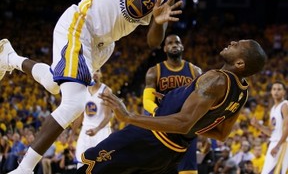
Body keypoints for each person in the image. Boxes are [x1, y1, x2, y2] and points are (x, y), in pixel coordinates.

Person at [0, 0, 187, 173]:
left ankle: (10, 58)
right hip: (81, 26)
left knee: (53, 83)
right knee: (75, 102)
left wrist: (159, 21)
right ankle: (24, 169)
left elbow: (153, 42)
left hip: (104, 45)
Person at [75, 39, 267, 174]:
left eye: (238, 45)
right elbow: (221, 134)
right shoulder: (242, 93)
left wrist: (129, 117)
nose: (232, 43)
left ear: (240, 62)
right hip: (173, 152)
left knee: (90, 168)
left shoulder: (216, 78)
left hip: (151, 138)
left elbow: (184, 122)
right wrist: (172, 101)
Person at [142, 34, 202, 173]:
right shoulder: (154, 71)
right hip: (163, 124)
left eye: (177, 42)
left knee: (188, 169)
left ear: (182, 47)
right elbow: (147, 101)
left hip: (187, 125)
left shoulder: (195, 71)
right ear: (164, 48)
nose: (174, 45)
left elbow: (202, 101)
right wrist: (160, 112)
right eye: (169, 43)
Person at [72, 69, 113, 168]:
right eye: (93, 71)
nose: (95, 73)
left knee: (102, 164)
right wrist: (72, 133)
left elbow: (108, 116)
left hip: (101, 131)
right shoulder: (83, 90)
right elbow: (80, 115)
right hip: (85, 131)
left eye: (98, 71)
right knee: (81, 163)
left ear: (101, 74)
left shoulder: (106, 91)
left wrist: (97, 129)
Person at [250, 81, 288, 174]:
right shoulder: (273, 109)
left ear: (284, 92)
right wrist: (258, 125)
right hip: (274, 143)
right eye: (274, 89)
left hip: (283, 144)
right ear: (271, 92)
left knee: (277, 171)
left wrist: (278, 146)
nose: (276, 92)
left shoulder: (285, 105)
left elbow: (287, 128)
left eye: (279, 89)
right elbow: (272, 132)